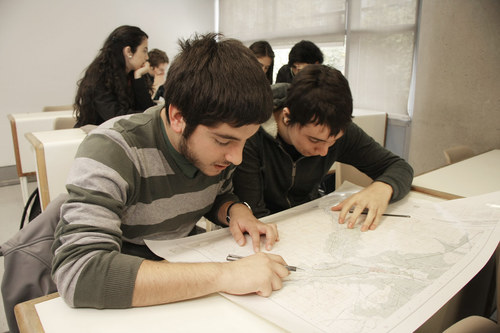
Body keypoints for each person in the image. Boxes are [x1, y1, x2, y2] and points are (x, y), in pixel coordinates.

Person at [52, 33, 290, 309]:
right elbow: (79, 274)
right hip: (127, 279)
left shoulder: (218, 152)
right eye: (224, 141)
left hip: (180, 262)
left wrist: (235, 210)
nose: (236, 158)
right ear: (178, 118)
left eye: (245, 140)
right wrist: (226, 275)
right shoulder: (114, 149)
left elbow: (217, 194)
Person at [233, 65, 414, 232]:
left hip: (307, 218)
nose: (324, 151)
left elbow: (399, 167)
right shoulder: (250, 133)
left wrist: (382, 187)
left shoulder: (334, 129)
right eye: (314, 140)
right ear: (287, 117)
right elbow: (255, 215)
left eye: (333, 141)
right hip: (262, 227)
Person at [74, 25, 154, 127]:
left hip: (120, 135)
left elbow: (148, 111)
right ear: (128, 51)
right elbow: (116, 117)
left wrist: (138, 77)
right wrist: (144, 115)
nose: (147, 57)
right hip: (95, 136)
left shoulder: (132, 75)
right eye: (144, 50)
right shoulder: (99, 76)